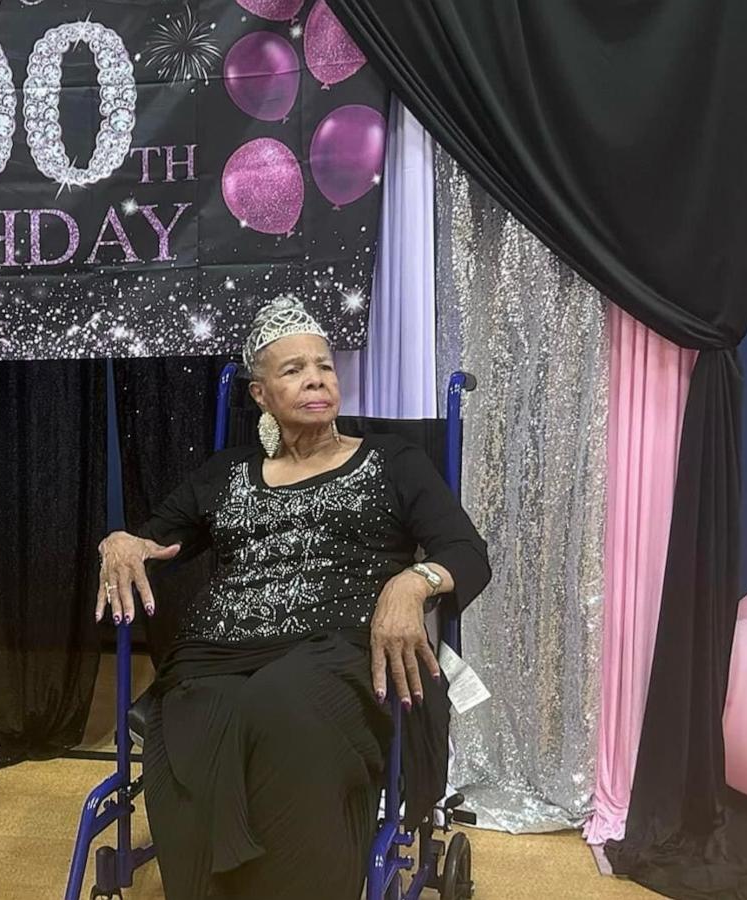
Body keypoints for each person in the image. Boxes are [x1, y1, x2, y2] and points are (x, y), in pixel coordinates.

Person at [96, 295, 491, 899]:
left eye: (324, 366)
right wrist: (121, 544)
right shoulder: (225, 473)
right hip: (218, 655)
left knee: (281, 706)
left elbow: (466, 551)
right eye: (293, 370)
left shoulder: (393, 462)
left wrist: (414, 581)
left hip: (342, 652)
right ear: (260, 394)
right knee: (190, 723)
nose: (315, 379)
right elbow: (152, 539)